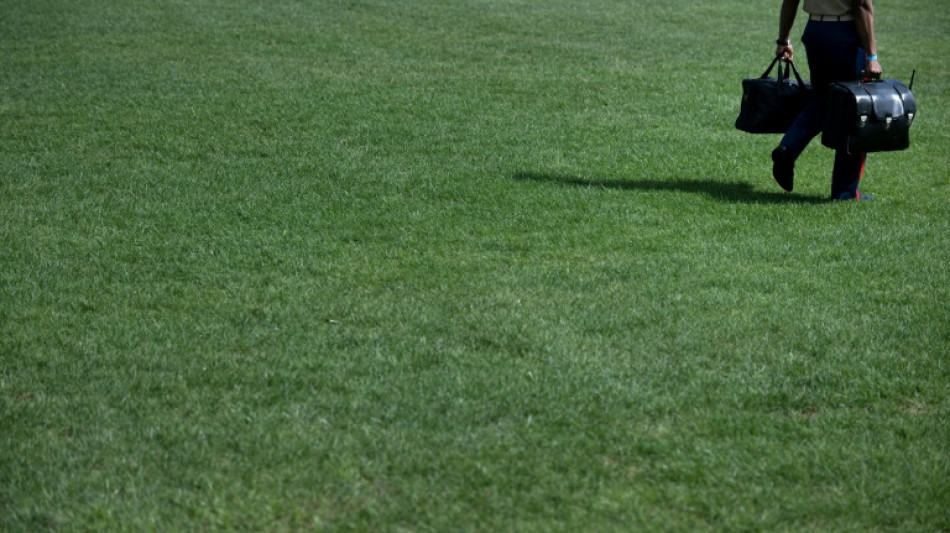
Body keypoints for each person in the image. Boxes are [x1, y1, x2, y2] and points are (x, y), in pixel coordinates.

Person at [772, 0, 883, 200]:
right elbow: (862, 5)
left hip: (815, 32)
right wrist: (872, 55)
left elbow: (790, 1)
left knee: (823, 100)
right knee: (852, 110)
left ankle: (787, 149)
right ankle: (845, 191)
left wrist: (783, 41)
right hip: (845, 35)